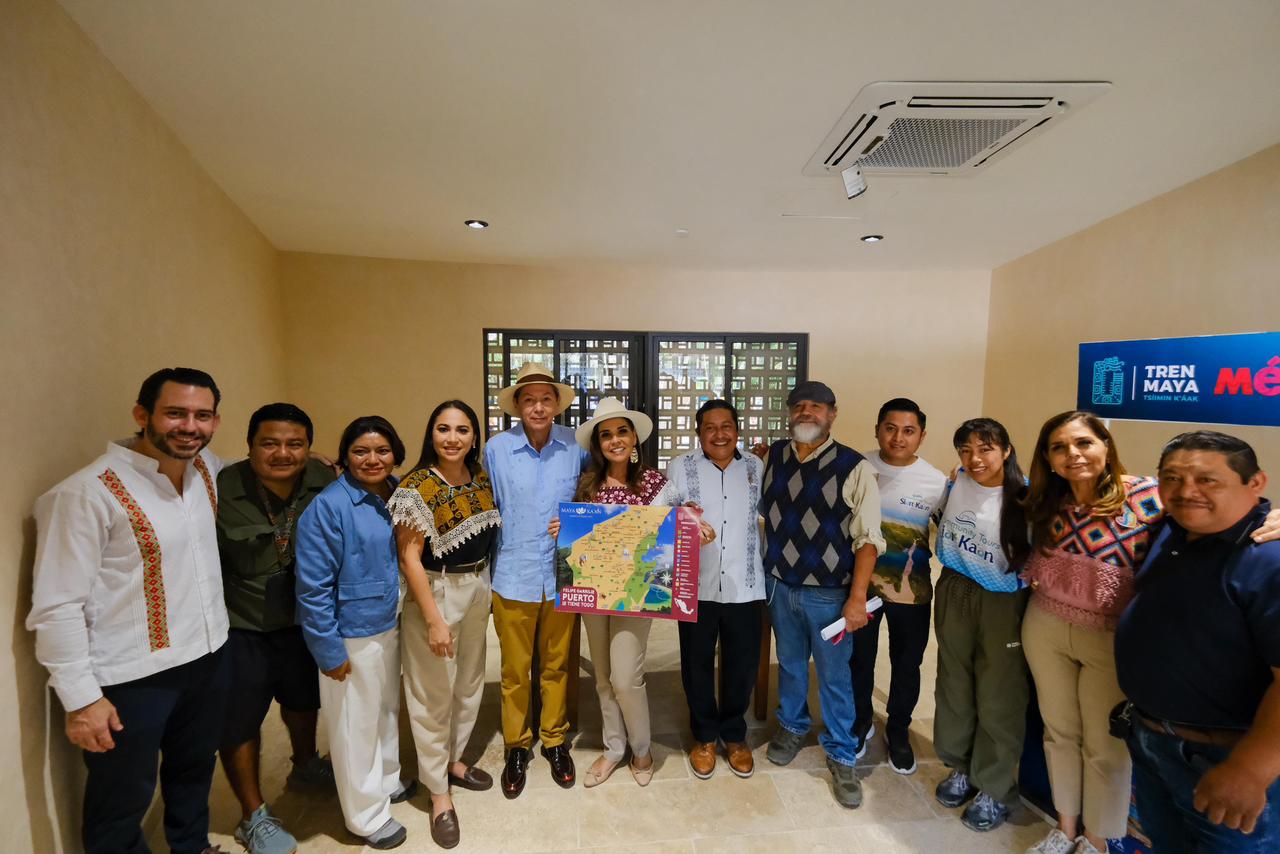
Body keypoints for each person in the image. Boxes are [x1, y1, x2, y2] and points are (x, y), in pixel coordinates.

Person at [28, 367, 232, 854]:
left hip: (207, 658)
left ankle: (192, 846)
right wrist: (81, 700)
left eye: (202, 416)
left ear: (215, 421)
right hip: (131, 680)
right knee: (121, 800)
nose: (190, 427)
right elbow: (57, 606)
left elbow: (254, 467)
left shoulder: (206, 470)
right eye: (175, 413)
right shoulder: (85, 493)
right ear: (142, 415)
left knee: (194, 770)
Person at [1116, 431, 1280, 853]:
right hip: (1153, 740)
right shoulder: (1172, 528)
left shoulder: (1269, 558)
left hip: (1223, 759)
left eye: (1207, 480)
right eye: (1172, 478)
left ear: (1255, 483)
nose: (1186, 491)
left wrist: (1251, 769)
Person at [548, 397, 712, 787]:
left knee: (625, 677)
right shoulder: (587, 485)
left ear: (634, 437)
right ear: (598, 444)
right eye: (606, 435)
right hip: (594, 592)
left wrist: (697, 528)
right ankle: (613, 748)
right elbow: (580, 536)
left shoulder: (655, 484)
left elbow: (681, 519)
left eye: (622, 431)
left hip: (635, 595)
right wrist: (562, 531)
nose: (615, 440)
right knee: (603, 678)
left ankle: (641, 749)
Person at [216, 403, 336, 854]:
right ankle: (253, 815)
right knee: (240, 720)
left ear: (309, 447)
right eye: (270, 443)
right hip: (242, 626)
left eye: (294, 444)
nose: (282, 453)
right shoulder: (219, 486)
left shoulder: (323, 479)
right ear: (249, 445)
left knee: (303, 701)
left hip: (302, 619)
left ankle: (305, 764)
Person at [760, 380, 885, 810]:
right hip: (780, 586)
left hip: (830, 595)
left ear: (832, 413)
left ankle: (842, 752)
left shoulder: (854, 468)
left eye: (816, 406)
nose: (806, 412)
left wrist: (857, 598)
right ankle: (792, 726)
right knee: (791, 665)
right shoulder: (774, 457)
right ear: (789, 412)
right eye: (799, 405)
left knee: (834, 676)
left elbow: (868, 540)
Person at [295, 416, 412, 850]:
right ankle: (365, 816)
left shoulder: (397, 493)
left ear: (395, 453)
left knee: (385, 710)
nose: (372, 459)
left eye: (382, 450)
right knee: (353, 725)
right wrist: (328, 650)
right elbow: (313, 588)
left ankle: (387, 780)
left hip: (389, 621)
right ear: (344, 456)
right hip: (350, 632)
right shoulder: (328, 507)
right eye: (361, 451)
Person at [388, 400, 500, 849]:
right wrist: (434, 620)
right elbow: (409, 558)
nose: (452, 438)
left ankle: (454, 761)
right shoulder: (416, 487)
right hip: (437, 592)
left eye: (462, 429)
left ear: (474, 437)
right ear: (431, 434)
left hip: (477, 585)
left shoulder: (480, 478)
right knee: (432, 692)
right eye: (443, 428)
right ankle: (437, 791)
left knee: (469, 683)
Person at [483, 362, 584, 797]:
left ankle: (555, 740)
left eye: (546, 399)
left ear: (557, 404)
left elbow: (594, 495)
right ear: (517, 406)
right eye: (529, 400)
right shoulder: (496, 449)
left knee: (557, 665)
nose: (538, 407)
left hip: (563, 573)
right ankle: (516, 746)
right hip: (513, 573)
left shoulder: (576, 446)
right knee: (514, 670)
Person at [932, 417, 1032, 833]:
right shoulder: (957, 482)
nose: (975, 459)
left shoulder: (1026, 497)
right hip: (955, 586)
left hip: (1001, 601)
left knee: (998, 693)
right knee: (953, 681)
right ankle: (961, 766)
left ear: (1006, 450)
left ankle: (994, 786)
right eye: (966, 450)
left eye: (986, 449)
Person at [665, 399, 765, 781]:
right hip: (696, 583)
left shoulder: (756, 466)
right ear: (699, 433)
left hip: (745, 584)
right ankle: (705, 735)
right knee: (696, 664)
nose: (719, 434)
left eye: (727, 426)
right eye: (710, 427)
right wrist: (683, 521)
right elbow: (664, 516)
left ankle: (734, 735)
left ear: (737, 430)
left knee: (742, 664)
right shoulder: (679, 467)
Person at [850, 397, 948, 776]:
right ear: (877, 430)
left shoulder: (936, 482)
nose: (898, 438)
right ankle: (861, 720)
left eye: (908, 431)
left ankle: (899, 729)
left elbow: (950, 529)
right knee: (859, 659)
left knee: (907, 663)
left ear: (921, 435)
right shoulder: (857, 467)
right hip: (862, 588)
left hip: (912, 590)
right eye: (890, 428)